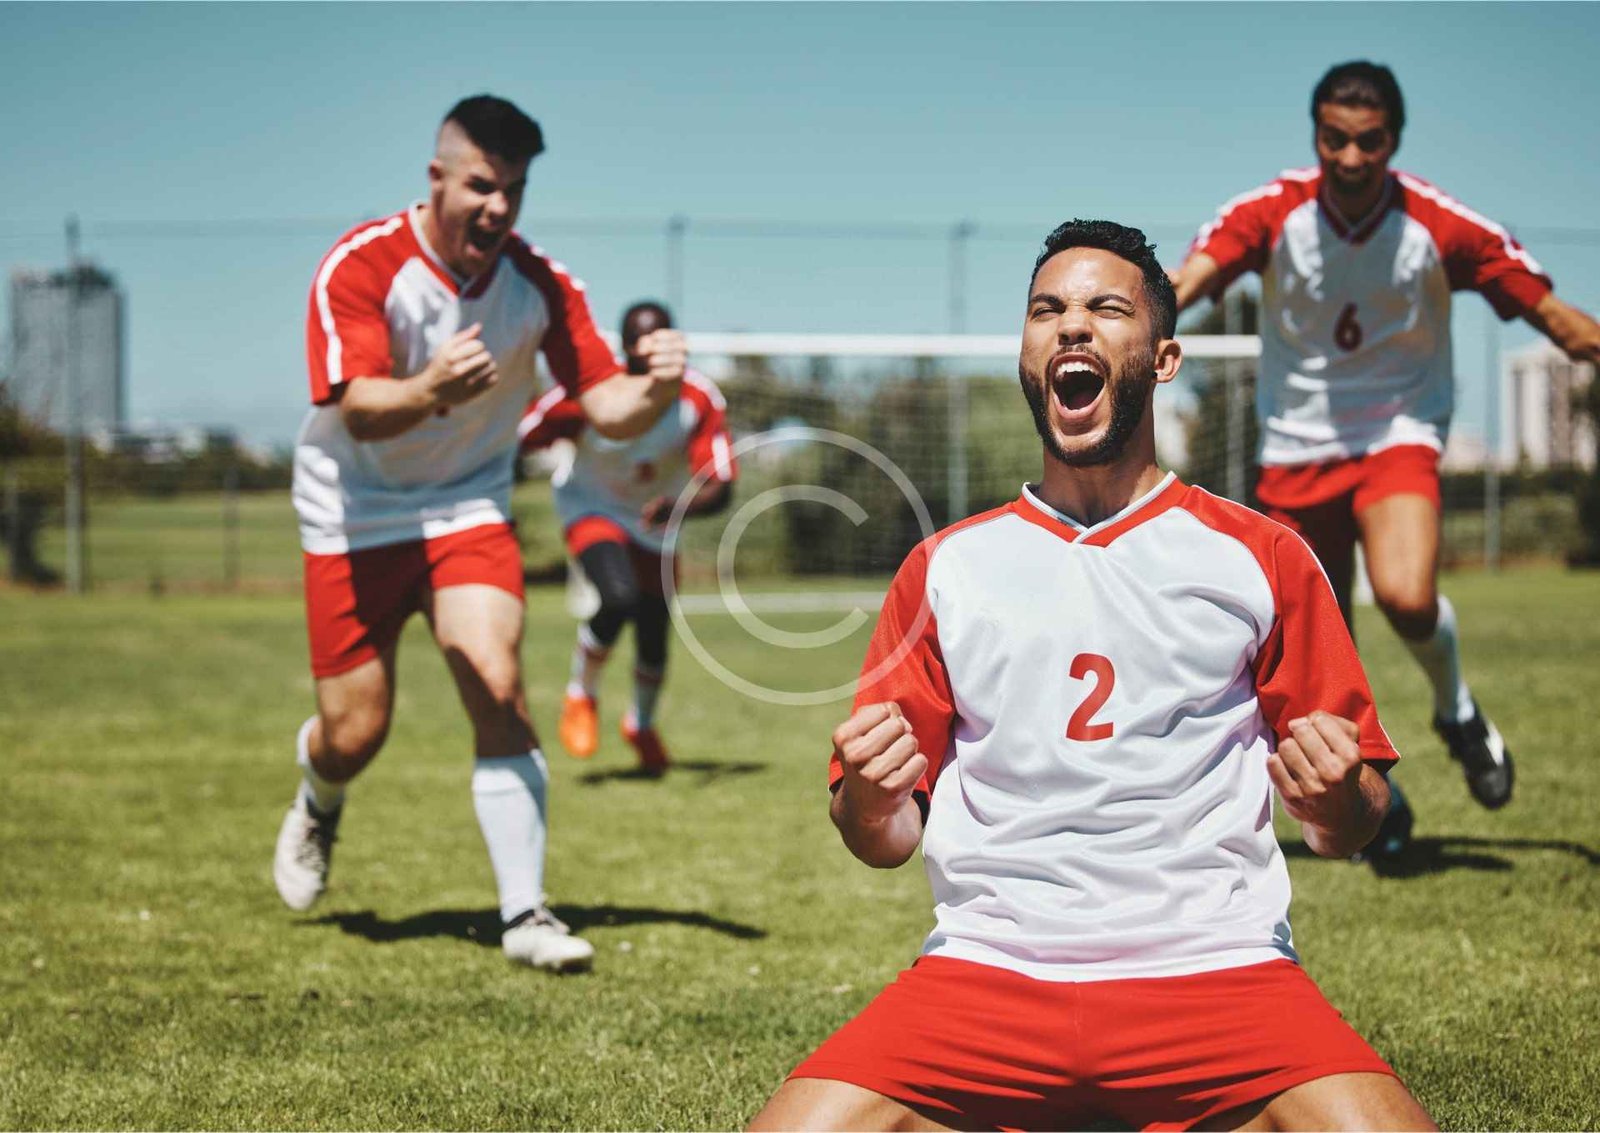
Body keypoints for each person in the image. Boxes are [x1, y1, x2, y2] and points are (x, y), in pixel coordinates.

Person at [750, 220, 1435, 1131]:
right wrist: (871, 798)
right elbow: (879, 837)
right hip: (988, 975)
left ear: (1163, 358)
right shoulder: (944, 569)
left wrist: (1335, 795)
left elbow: (1357, 821)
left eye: (1105, 307)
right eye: (1047, 310)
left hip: (1219, 975)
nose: (1071, 325)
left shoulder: (1264, 556)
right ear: (1026, 356)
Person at [273, 95, 688, 973]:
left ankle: (526, 914)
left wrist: (656, 389)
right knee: (356, 731)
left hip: (466, 502)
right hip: (353, 507)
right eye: (482, 186)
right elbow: (360, 409)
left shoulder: (539, 284)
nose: (499, 209)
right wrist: (431, 387)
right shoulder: (361, 265)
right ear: (438, 179)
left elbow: (606, 404)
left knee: (497, 679)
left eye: (516, 191)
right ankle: (319, 795)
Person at [1171, 61, 1600, 857]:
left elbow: (1557, 318)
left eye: (1368, 142)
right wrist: (1135, 314)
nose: (1351, 158)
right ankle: (1382, 799)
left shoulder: (1438, 226)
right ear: (1317, 138)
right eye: (1335, 139)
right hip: (1296, 448)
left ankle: (1458, 711)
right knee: (1314, 655)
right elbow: (1188, 279)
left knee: (1405, 595)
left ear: (1392, 143)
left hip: (1395, 434)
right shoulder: (1272, 213)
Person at [519, 301, 737, 775]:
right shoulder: (591, 393)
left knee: (655, 630)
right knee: (617, 597)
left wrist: (678, 507)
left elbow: (721, 484)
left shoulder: (697, 398)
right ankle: (582, 694)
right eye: (639, 339)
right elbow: (522, 436)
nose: (649, 347)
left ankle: (641, 723)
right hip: (590, 507)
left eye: (659, 337)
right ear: (624, 346)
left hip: (656, 518)